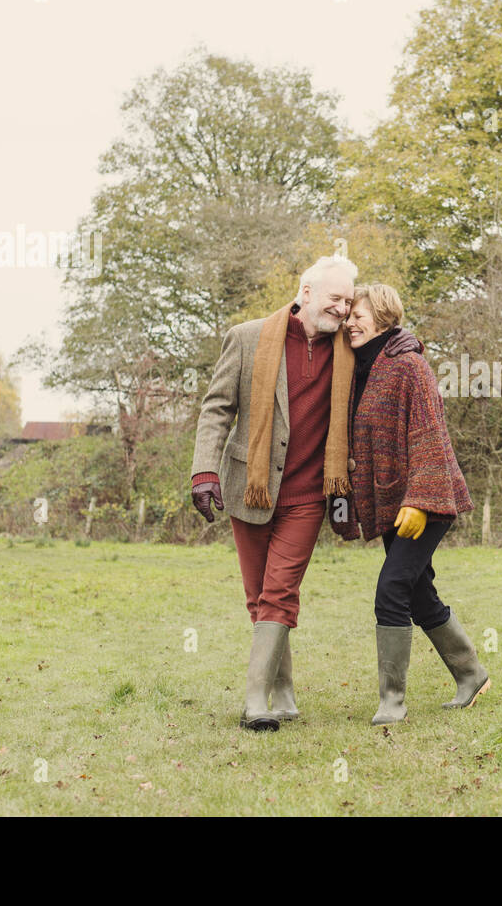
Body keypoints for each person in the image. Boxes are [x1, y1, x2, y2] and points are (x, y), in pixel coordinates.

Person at [190, 256, 357, 731]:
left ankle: (255, 701)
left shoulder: (349, 348)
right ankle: (283, 689)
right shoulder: (248, 337)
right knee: (257, 596)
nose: (344, 309)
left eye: (348, 301)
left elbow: (388, 346)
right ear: (306, 293)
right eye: (336, 299)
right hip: (252, 487)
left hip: (307, 494)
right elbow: (217, 408)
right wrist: (205, 470)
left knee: (280, 593)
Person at [331, 282, 489, 724]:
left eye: (357, 315)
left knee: (392, 589)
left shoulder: (410, 366)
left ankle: (392, 702)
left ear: (382, 316)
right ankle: (471, 674)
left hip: (428, 502)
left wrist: (420, 499)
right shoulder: (359, 368)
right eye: (348, 317)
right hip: (395, 506)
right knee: (419, 594)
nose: (350, 323)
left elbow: (429, 435)